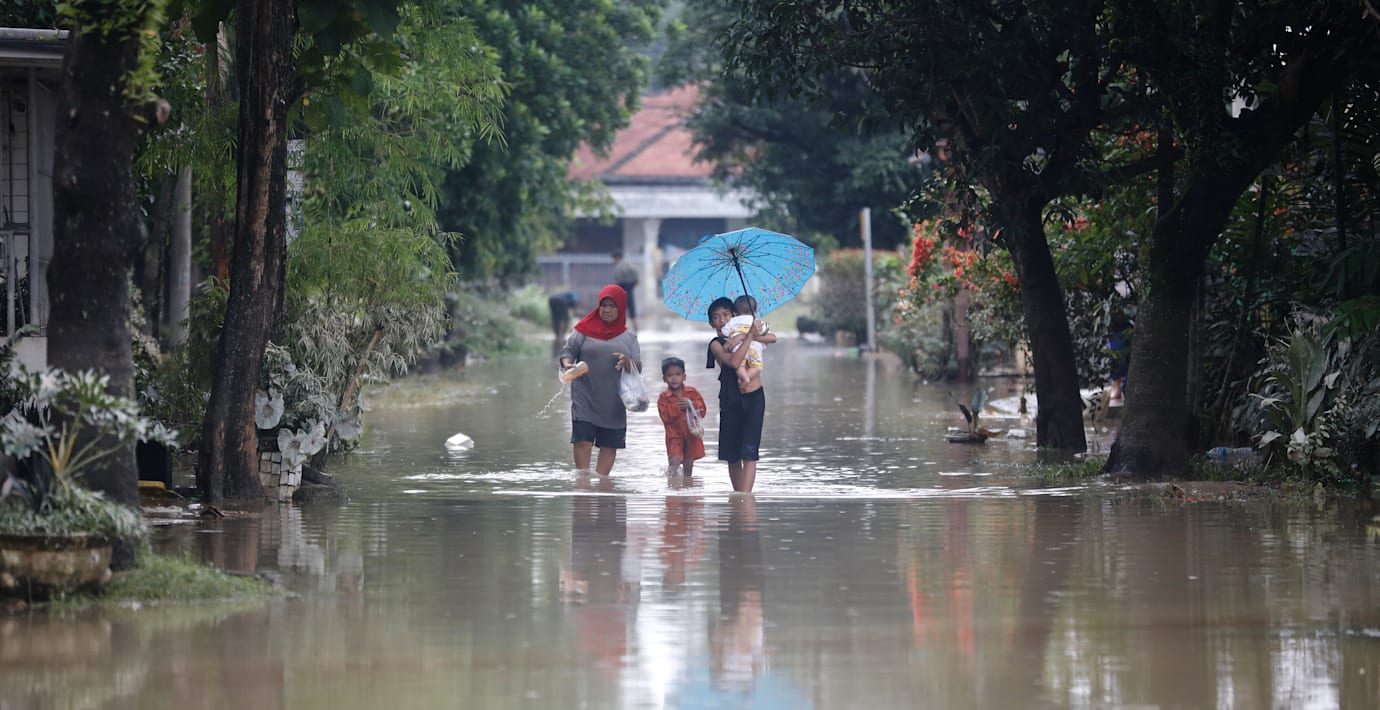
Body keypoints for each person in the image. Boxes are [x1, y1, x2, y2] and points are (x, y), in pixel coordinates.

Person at [558, 285, 642, 476]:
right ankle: (583, 485)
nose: (607, 310)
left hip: (614, 402)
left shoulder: (629, 337)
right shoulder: (583, 330)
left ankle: (602, 487)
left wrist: (628, 362)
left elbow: (639, 365)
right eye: (604, 305)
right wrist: (567, 364)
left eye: (613, 306)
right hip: (584, 397)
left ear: (620, 308)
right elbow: (567, 351)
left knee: (608, 445)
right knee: (582, 441)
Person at [706, 297, 776, 492]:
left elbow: (772, 337)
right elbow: (734, 362)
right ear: (711, 323)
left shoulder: (747, 333)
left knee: (749, 451)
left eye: (726, 315)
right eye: (716, 317)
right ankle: (739, 496)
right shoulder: (717, 344)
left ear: (735, 316)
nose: (721, 320)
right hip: (730, 400)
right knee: (732, 453)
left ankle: (746, 498)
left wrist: (748, 335)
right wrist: (746, 338)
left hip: (754, 398)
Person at [657, 356, 708, 476]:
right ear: (664, 378)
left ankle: (687, 485)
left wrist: (692, 404)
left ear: (684, 377)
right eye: (670, 375)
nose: (674, 378)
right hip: (674, 436)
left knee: (689, 464)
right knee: (674, 461)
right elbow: (665, 416)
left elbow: (703, 410)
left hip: (691, 433)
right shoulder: (664, 397)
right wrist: (678, 407)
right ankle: (673, 485)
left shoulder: (692, 392)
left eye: (678, 374)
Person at [720, 295, 768, 391]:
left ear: (735, 313)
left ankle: (744, 378)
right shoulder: (757, 322)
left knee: (740, 366)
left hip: (740, 349)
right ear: (755, 312)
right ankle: (748, 377)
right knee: (757, 366)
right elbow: (766, 332)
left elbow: (724, 332)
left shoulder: (733, 321)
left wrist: (737, 335)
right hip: (755, 349)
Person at [612, 250, 639, 332]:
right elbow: (636, 275)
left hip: (622, 288)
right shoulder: (629, 264)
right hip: (630, 289)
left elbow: (618, 280)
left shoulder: (618, 267)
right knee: (632, 310)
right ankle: (636, 329)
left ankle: (620, 329)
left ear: (617, 258)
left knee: (620, 311)